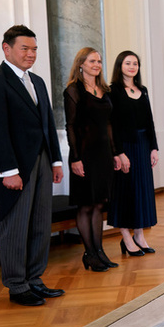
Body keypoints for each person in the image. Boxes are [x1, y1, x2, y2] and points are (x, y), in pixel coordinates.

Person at [0, 25, 65, 306]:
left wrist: (54, 160)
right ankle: (17, 285)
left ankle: (34, 279)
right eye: (25, 49)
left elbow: (47, 125)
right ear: (7, 48)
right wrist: (8, 171)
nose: (31, 54)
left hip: (41, 161)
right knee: (15, 226)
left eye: (34, 49)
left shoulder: (37, 81)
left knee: (41, 222)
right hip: (15, 167)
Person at [64, 47, 128, 273]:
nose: (97, 64)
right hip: (84, 153)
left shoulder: (104, 90)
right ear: (81, 63)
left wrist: (114, 153)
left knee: (99, 203)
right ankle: (89, 254)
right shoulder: (73, 90)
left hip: (102, 155)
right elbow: (70, 126)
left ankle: (99, 252)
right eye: (92, 61)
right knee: (86, 204)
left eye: (99, 61)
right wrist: (75, 158)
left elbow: (109, 125)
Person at [108, 50, 158, 256]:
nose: (132, 67)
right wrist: (119, 152)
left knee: (142, 192)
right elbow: (112, 125)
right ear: (120, 66)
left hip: (143, 144)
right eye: (128, 63)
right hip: (125, 147)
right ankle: (126, 237)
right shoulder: (113, 91)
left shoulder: (143, 90)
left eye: (135, 63)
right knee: (125, 192)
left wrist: (154, 148)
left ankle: (139, 235)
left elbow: (149, 121)